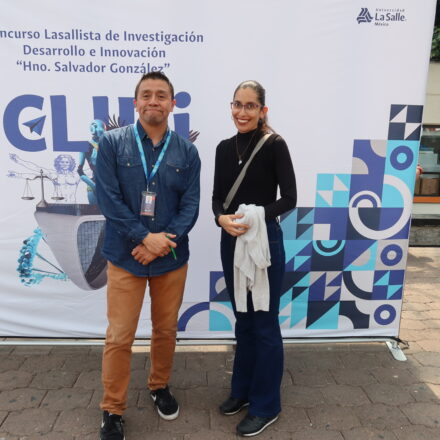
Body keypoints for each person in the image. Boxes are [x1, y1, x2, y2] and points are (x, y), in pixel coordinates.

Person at [95, 71, 201, 440]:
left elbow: (190, 206)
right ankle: (112, 409)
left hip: (170, 259)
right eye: (146, 95)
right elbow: (108, 199)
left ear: (172, 104)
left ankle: (159, 386)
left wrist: (160, 242)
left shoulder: (187, 152)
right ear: (135, 103)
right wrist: (144, 238)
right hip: (126, 257)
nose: (153, 101)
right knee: (119, 336)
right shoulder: (112, 144)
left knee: (165, 330)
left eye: (161, 95)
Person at [212, 80, 297, 437]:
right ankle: (243, 391)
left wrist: (255, 216)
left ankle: (266, 406)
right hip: (231, 241)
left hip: (264, 242)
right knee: (243, 321)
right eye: (237, 104)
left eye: (250, 106)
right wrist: (221, 218)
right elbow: (217, 198)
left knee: (264, 322)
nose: (242, 112)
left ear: (263, 111)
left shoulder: (275, 145)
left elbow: (289, 198)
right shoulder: (223, 148)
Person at [78, 119, 106, 204]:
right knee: (94, 211)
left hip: (109, 186)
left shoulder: (109, 145)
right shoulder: (86, 146)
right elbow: (80, 170)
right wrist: (93, 186)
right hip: (94, 184)